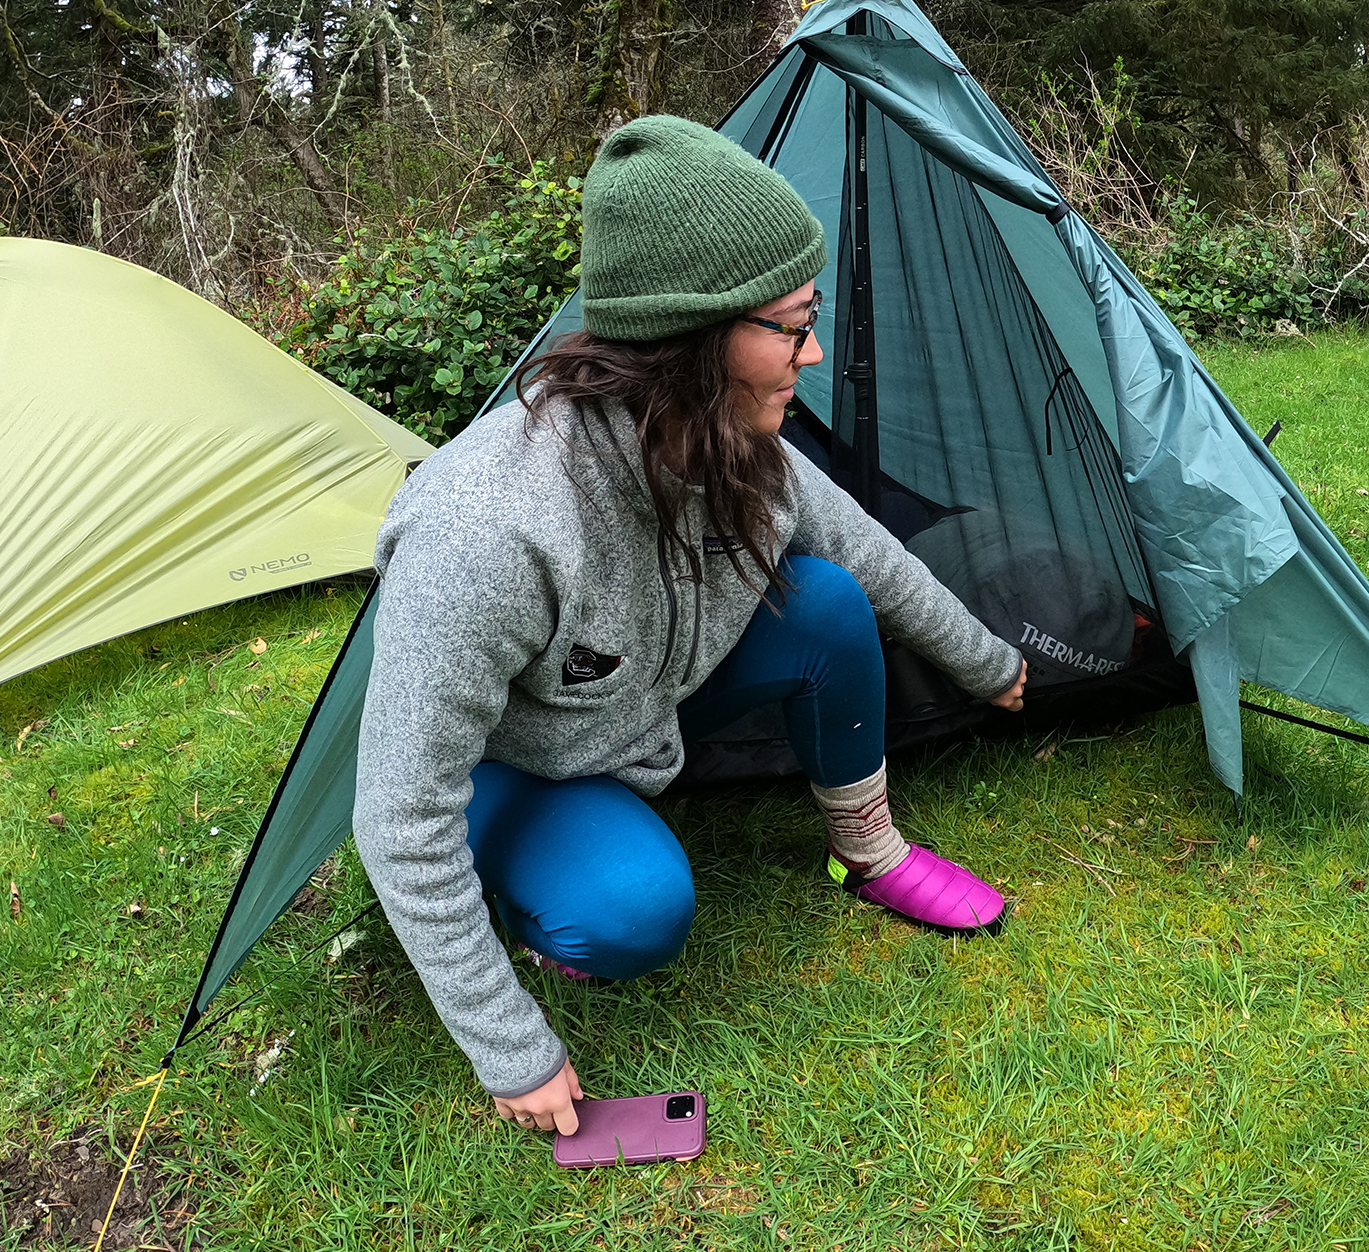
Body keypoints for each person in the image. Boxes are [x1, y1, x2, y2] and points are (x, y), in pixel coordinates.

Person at [352, 115, 1027, 1140]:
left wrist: (991, 667)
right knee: (633, 912)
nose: (810, 351)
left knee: (827, 603)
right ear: (696, 339)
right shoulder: (487, 528)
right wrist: (510, 1044)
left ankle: (868, 851)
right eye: (792, 324)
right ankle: (539, 899)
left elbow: (871, 558)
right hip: (526, 761)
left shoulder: (739, 444)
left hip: (647, 698)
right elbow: (399, 815)